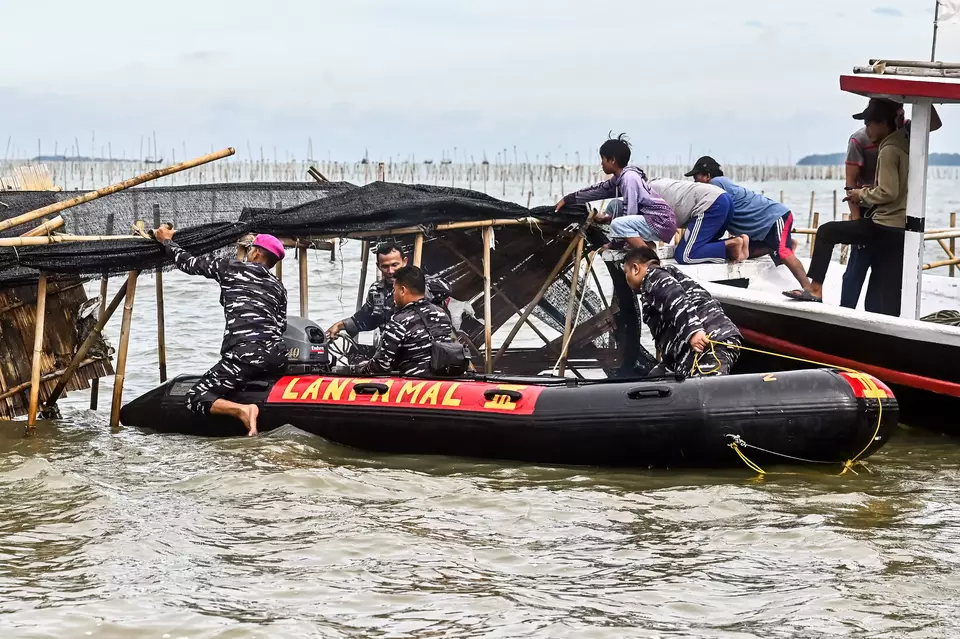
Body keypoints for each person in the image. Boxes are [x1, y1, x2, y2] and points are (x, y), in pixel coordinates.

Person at [154, 228, 287, 436]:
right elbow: (281, 327)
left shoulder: (231, 268)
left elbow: (189, 264)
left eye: (252, 248)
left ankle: (243, 410)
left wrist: (167, 242)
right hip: (276, 357)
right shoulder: (278, 287)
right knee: (248, 373)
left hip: (244, 355)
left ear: (257, 253)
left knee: (196, 397)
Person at [784, 98, 909, 315]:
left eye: (869, 123)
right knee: (881, 287)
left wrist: (861, 194)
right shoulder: (906, 140)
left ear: (883, 123)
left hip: (883, 224)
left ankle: (815, 289)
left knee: (826, 232)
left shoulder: (888, 148)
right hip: (900, 227)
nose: (866, 129)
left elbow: (888, 192)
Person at [842, 99, 941, 310]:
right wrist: (856, 222)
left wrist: (921, 96)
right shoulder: (859, 139)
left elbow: (934, 123)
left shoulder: (905, 131)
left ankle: (876, 316)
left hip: (893, 214)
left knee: (883, 271)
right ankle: (844, 312)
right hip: (866, 208)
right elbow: (850, 185)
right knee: (856, 267)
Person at [687, 156, 811, 291]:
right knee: (744, 252)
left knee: (783, 252)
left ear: (707, 176)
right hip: (763, 227)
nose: (694, 181)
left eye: (696, 176)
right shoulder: (719, 185)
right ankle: (779, 244)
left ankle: (809, 289)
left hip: (774, 217)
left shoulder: (714, 184)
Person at [622, 246, 741, 377]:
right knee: (654, 380)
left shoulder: (654, 276)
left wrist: (694, 331)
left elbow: (676, 298)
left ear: (635, 269)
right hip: (685, 354)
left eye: (626, 273)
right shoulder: (660, 277)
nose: (625, 279)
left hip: (710, 343)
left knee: (706, 391)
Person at [555, 133, 677, 249]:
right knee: (614, 205)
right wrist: (568, 199)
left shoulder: (629, 178)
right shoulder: (620, 178)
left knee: (618, 224)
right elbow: (598, 190)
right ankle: (646, 245)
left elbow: (630, 213)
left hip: (661, 223)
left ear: (612, 160)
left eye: (602, 159)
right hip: (651, 221)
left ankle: (648, 257)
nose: (601, 163)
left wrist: (614, 244)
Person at [326, 241, 452, 339]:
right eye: (385, 267)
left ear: (404, 262)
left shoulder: (420, 283)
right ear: (378, 266)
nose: (390, 271)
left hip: (420, 349)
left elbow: (446, 289)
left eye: (394, 265)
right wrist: (340, 325)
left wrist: (416, 283)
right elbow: (366, 318)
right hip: (390, 349)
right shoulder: (377, 291)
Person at [352, 265, 457, 377]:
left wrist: (358, 369)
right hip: (442, 381)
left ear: (402, 291)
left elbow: (380, 366)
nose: (393, 294)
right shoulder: (442, 314)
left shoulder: (398, 321)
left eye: (395, 290)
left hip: (414, 385)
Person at [647, 177, 748, 263]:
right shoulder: (654, 184)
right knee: (705, 245)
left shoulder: (643, 195)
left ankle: (731, 245)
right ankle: (738, 241)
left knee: (685, 255)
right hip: (724, 199)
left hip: (710, 204)